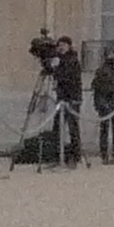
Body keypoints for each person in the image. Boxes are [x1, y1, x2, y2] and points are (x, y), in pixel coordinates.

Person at [43, 33, 84, 165]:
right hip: (61, 97)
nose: (61, 47)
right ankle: (56, 154)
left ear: (69, 46)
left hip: (72, 97)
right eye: (59, 45)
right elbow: (50, 71)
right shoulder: (58, 59)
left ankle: (76, 155)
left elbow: (68, 76)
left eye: (64, 45)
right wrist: (49, 63)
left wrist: (57, 66)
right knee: (57, 126)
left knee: (73, 127)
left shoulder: (73, 60)